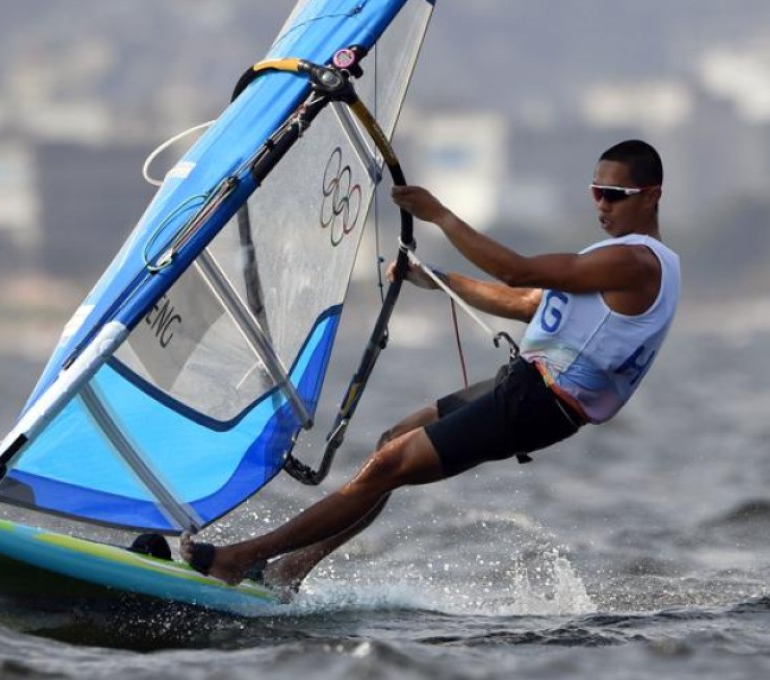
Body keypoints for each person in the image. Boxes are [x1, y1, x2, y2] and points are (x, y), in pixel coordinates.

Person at [180, 138, 681, 593]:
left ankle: (243, 558)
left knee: (388, 467)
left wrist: (440, 215)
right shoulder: (618, 259)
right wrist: (438, 278)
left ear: (651, 196)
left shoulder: (636, 262)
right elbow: (529, 302)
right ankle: (292, 569)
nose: (601, 203)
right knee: (391, 443)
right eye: (596, 191)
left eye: (614, 194)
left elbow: (517, 270)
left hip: (538, 403)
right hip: (523, 386)